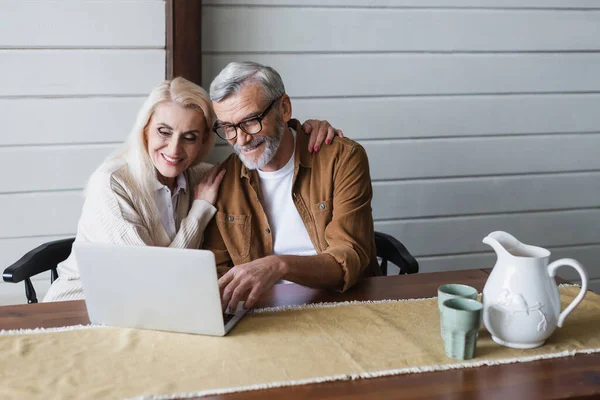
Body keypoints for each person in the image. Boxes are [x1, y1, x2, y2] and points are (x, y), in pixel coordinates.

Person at [43, 77, 342, 302]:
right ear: (145, 129)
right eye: (164, 131)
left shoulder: (204, 177)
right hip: (79, 307)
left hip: (151, 314)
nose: (174, 149)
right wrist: (199, 213)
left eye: (189, 137)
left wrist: (306, 130)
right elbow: (151, 284)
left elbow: (269, 147)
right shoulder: (113, 184)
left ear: (203, 143)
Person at [203, 62, 379, 313]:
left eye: (251, 121)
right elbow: (217, 272)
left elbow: (349, 257)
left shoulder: (342, 158)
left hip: (343, 305)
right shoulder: (222, 181)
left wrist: (279, 266)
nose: (241, 140)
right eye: (229, 128)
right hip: (263, 314)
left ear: (284, 108)